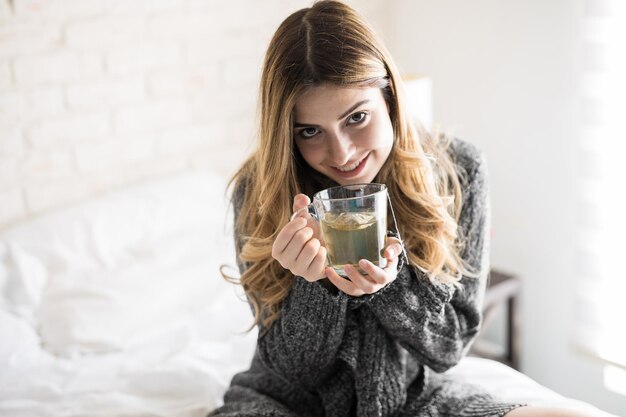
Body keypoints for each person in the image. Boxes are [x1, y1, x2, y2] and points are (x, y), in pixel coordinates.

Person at [211, 1, 593, 416]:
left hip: (411, 398)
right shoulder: (260, 190)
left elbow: (448, 350)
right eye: (309, 131)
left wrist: (390, 289)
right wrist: (315, 287)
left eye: (356, 117)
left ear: (390, 98)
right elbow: (289, 371)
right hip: (289, 404)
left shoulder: (457, 171)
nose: (341, 153)